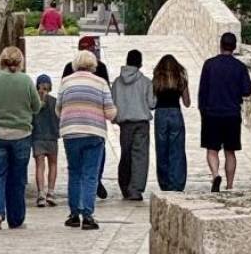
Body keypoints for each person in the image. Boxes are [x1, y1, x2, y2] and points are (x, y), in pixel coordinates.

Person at [0, 46, 41, 230]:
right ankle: (16, 218)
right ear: (20, 62)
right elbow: (36, 107)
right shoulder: (26, 81)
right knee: (18, 177)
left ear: (2, 60)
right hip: (21, 135)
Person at [57, 50, 116, 231]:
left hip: (71, 132)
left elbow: (58, 109)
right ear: (93, 65)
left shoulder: (66, 82)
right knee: (90, 174)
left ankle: (74, 214)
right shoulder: (101, 83)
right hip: (93, 132)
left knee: (74, 172)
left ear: (75, 65)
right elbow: (110, 112)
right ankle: (88, 216)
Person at [198, 32, 251, 192]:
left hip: (212, 114)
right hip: (232, 114)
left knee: (212, 149)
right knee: (230, 151)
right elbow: (247, 90)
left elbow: (203, 91)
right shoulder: (240, 67)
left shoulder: (209, 65)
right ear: (234, 47)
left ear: (221, 45)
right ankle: (229, 185)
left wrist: (203, 111)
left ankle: (215, 175)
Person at [62, 35, 111, 199]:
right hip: (94, 123)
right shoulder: (100, 69)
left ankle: (77, 208)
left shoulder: (69, 69)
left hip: (72, 125)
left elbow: (61, 99)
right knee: (94, 161)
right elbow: (107, 96)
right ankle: (94, 185)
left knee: (75, 171)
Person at [111, 49, 156, 201]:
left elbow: (113, 104)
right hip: (141, 123)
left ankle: (124, 186)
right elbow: (152, 104)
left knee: (126, 154)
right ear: (140, 63)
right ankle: (135, 189)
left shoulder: (117, 82)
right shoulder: (146, 82)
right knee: (140, 156)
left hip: (125, 124)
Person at [152, 54, 190, 191]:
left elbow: (152, 102)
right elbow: (187, 103)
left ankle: (165, 182)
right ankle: (177, 183)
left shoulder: (157, 80)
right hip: (175, 113)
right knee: (177, 150)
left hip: (161, 114)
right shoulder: (181, 79)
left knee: (162, 149)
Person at [31, 74, 59, 207]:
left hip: (37, 137)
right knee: (53, 164)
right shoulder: (55, 102)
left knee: (40, 166)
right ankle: (51, 193)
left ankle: (41, 194)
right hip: (52, 137)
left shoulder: (33, 103)